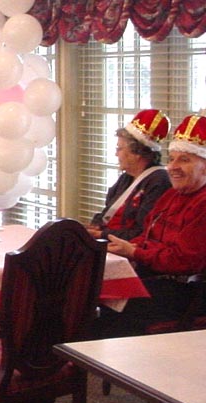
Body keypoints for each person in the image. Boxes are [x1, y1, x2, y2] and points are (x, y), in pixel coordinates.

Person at [96, 114, 206, 338]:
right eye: (172, 159)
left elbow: (183, 260)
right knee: (88, 292)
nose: (173, 167)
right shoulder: (171, 195)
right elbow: (147, 236)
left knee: (100, 312)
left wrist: (135, 252)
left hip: (185, 293)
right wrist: (126, 246)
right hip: (155, 278)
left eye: (184, 160)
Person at [87, 109, 171, 240]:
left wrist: (102, 234)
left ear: (137, 153)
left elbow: (142, 231)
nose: (116, 154)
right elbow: (107, 213)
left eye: (119, 149)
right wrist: (95, 226)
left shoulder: (159, 182)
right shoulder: (126, 177)